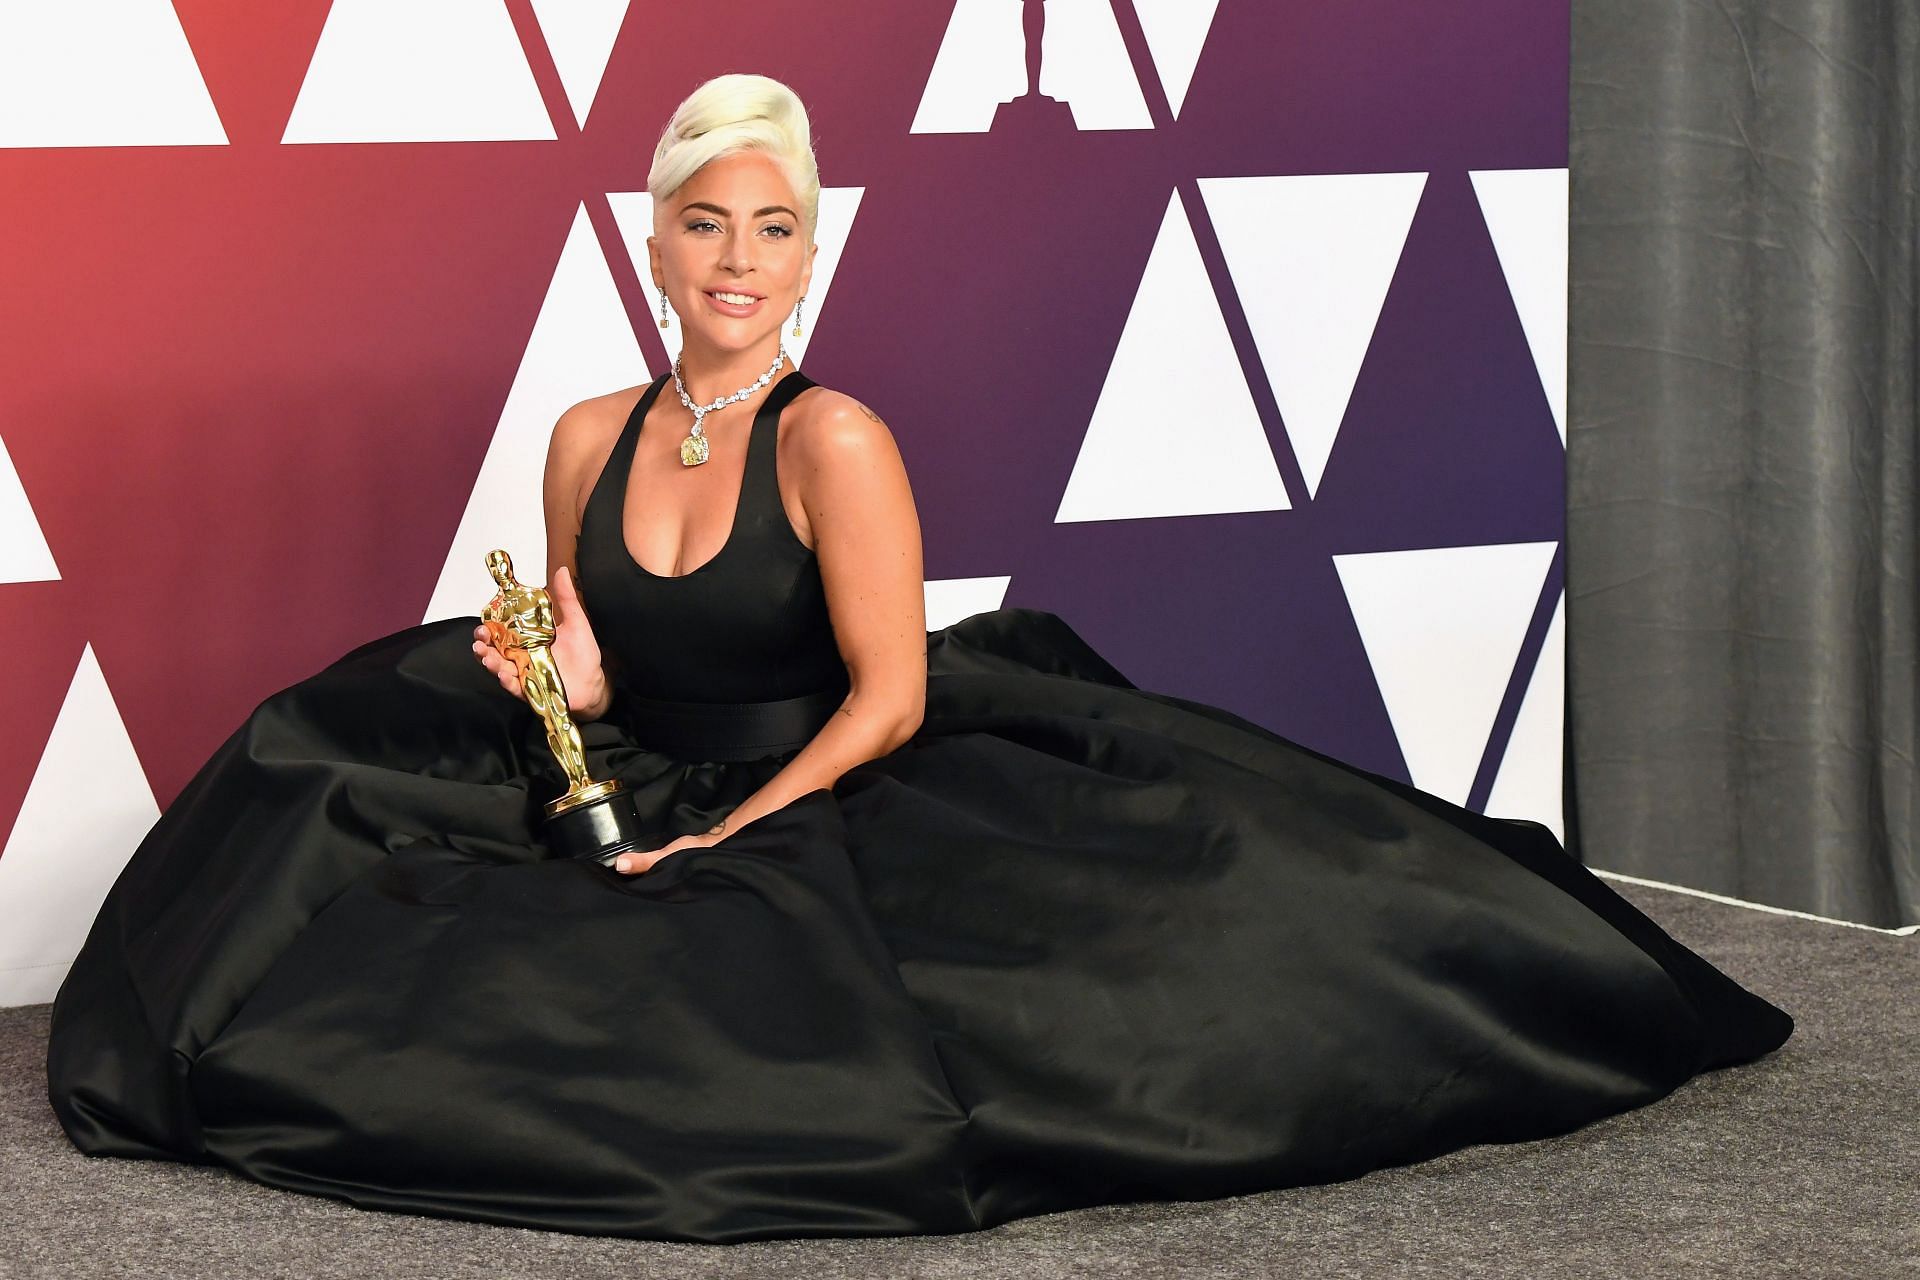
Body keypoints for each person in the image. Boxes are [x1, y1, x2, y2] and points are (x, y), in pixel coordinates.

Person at [45, 72, 1793, 1245]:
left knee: (1041, 1015)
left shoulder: (839, 442)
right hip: (658, 756)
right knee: (341, 814)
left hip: (838, 767)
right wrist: (541, 682)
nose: (742, 261)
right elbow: (593, 666)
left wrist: (741, 832)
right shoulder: (587, 433)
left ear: (814, 249)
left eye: (776, 228)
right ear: (654, 240)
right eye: (709, 225)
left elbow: (890, 697)